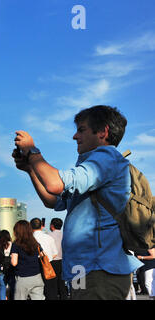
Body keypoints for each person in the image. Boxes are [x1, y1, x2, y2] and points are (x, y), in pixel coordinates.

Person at [13, 105, 143, 300]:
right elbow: (53, 201)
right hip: (85, 268)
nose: (75, 136)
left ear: (103, 132)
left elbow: (55, 184)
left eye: (81, 129)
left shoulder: (105, 158)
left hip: (99, 270)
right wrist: (31, 168)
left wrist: (33, 152)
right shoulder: (94, 166)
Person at [10, 220, 45, 300]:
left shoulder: (16, 244)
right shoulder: (35, 243)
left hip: (23, 278)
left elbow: (14, 263)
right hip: (37, 276)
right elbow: (42, 255)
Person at [30, 218, 58, 300]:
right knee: (50, 291)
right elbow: (55, 254)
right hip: (48, 266)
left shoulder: (29, 240)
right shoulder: (49, 237)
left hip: (34, 267)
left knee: (37, 293)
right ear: (41, 226)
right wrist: (46, 260)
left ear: (30, 227)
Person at [49, 218, 68, 300]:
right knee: (62, 283)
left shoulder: (49, 236)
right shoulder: (65, 235)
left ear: (52, 226)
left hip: (52, 262)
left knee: (52, 284)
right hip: (63, 261)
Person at [0, 230, 14, 300]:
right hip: (11, 269)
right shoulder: (13, 244)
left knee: (2, 288)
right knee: (12, 287)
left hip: (1, 268)